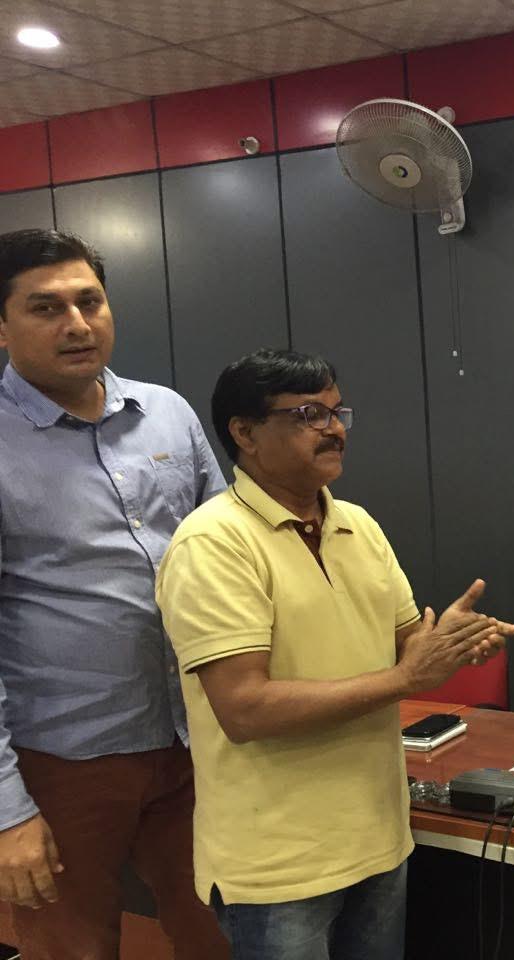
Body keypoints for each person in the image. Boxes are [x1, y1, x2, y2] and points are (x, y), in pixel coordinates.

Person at [154, 349, 514, 960]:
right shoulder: (212, 543)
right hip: (279, 867)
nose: (334, 429)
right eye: (307, 415)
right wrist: (405, 678)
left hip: (379, 841)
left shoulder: (358, 525)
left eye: (336, 411)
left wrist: (446, 643)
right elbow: (244, 709)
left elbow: (407, 642)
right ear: (244, 433)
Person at [0, 228, 228, 959]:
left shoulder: (167, 413)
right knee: (73, 948)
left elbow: (227, 558)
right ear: (1, 326)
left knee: (224, 934)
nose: (77, 324)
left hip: (194, 738)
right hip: (63, 757)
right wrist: (7, 812)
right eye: (46, 308)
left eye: (89, 301)